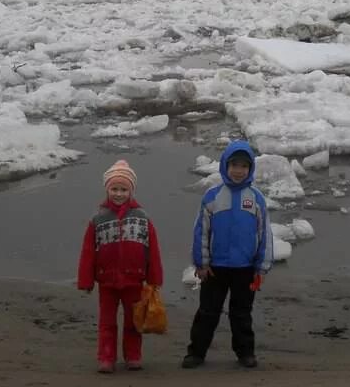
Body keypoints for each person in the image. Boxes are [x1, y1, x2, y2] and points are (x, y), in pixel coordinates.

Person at [182, 140, 273, 369]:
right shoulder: (212, 196)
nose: (238, 170)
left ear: (250, 168)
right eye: (234, 165)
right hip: (215, 268)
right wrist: (201, 263)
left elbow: (264, 234)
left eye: (244, 166)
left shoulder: (256, 198)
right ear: (225, 165)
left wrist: (261, 266)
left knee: (241, 314)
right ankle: (196, 353)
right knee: (207, 312)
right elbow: (201, 231)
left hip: (245, 268)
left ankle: (245, 353)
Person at [77, 159, 163, 373]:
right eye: (114, 189)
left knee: (133, 322)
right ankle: (106, 358)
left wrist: (154, 279)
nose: (118, 193)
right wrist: (86, 280)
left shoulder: (143, 218)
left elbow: (152, 250)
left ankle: (133, 356)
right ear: (107, 190)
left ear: (131, 191)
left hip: (134, 279)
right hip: (107, 281)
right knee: (107, 322)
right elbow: (88, 252)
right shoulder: (97, 219)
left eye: (123, 189)